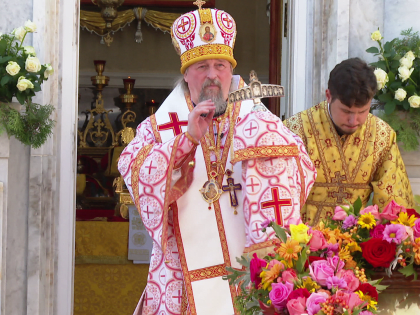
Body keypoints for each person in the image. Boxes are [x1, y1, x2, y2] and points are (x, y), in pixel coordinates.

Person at [118, 5, 316, 315]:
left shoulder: (262, 121)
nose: (212, 75)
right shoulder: (160, 128)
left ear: (231, 70)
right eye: (202, 66)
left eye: (220, 65)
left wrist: (264, 150)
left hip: (248, 270)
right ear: (186, 73)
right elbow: (135, 172)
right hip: (183, 277)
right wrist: (187, 141)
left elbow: (303, 169)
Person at [284, 57, 414, 226]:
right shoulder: (294, 131)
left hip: (357, 242)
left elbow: (393, 201)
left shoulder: (382, 135)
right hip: (303, 242)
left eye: (363, 111)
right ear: (329, 96)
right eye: (346, 111)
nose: (354, 121)